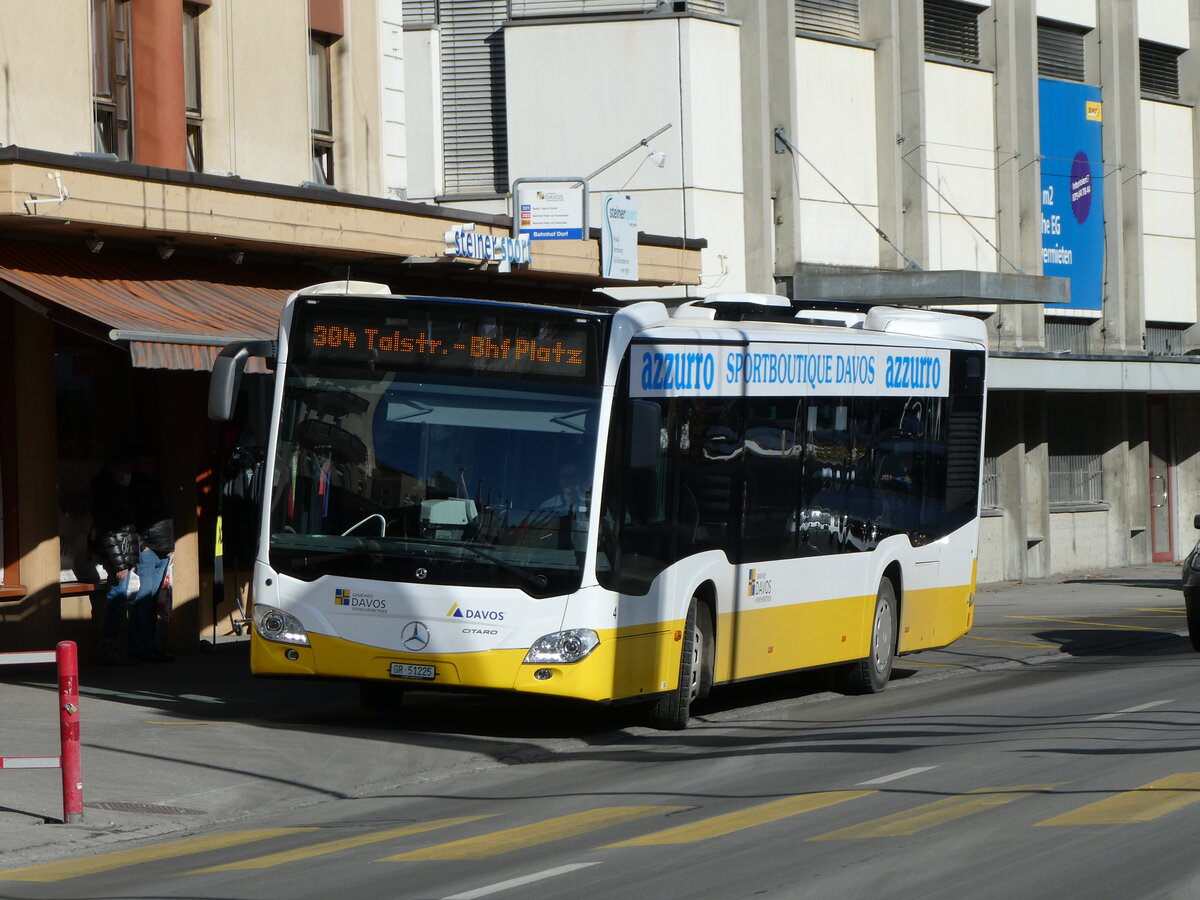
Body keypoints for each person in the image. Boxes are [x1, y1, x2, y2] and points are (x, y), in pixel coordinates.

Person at [89, 450, 142, 666]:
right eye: (125, 470)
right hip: (117, 556)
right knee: (117, 598)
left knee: (119, 599)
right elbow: (110, 531)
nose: (128, 474)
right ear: (115, 470)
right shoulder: (108, 492)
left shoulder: (117, 490)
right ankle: (109, 645)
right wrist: (121, 563)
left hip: (122, 553)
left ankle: (112, 645)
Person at [129, 448, 175, 662]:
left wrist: (169, 546)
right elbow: (130, 520)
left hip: (161, 548)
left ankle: (150, 646)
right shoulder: (135, 486)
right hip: (149, 549)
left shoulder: (154, 484)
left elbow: (162, 516)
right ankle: (140, 648)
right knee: (144, 601)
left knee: (152, 602)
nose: (151, 465)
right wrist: (142, 546)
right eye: (147, 461)